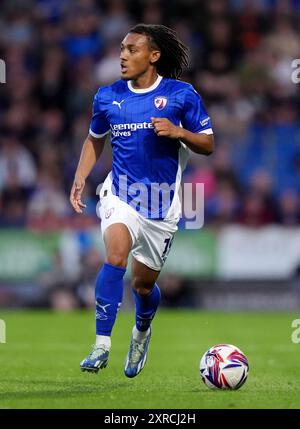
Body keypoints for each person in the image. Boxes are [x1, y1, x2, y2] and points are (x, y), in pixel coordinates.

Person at [70, 24, 214, 378]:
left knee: (143, 286)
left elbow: (208, 144)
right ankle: (101, 345)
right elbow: (94, 139)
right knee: (115, 255)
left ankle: (142, 331)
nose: (122, 55)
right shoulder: (108, 96)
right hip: (121, 194)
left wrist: (179, 132)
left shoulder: (182, 95)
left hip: (161, 205)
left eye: (132, 49)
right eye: (121, 48)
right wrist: (80, 176)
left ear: (153, 56)